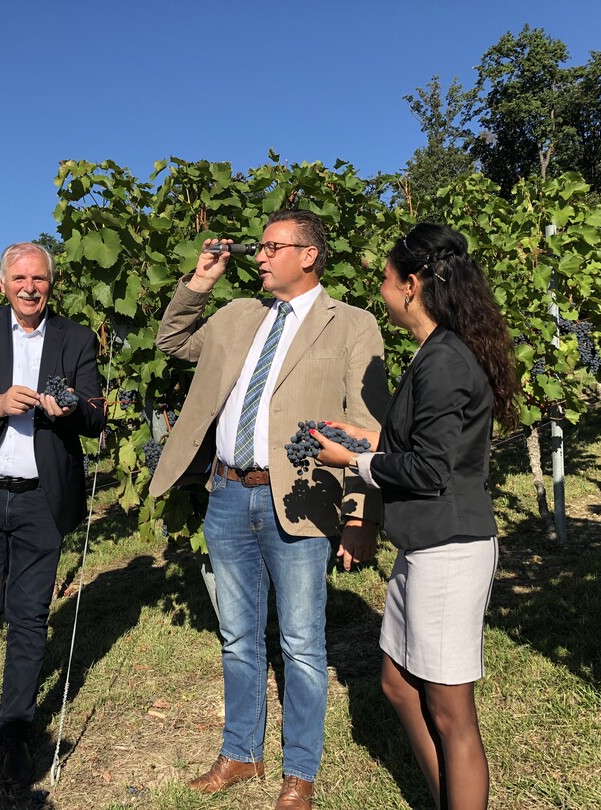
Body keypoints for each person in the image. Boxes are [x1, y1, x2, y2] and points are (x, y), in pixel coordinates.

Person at [149, 209, 391, 810]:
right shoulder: (237, 316)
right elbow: (173, 341)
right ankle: (241, 753)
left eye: (271, 247)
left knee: (303, 642)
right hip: (228, 493)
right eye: (259, 247)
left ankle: (299, 773)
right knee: (237, 636)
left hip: (303, 500)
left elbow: (365, 427)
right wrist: (199, 281)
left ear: (309, 254)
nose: (258, 256)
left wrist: (359, 515)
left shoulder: (352, 326)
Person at [311, 223, 520, 810]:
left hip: (448, 549)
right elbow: (426, 445)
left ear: (413, 285)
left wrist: (356, 461)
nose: (380, 288)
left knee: (452, 714)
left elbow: (432, 470)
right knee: (398, 685)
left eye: (385, 278)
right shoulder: (438, 353)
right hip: (424, 543)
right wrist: (369, 438)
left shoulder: (445, 361)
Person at [0, 242, 105, 789]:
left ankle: (14, 730)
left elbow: (96, 413)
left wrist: (72, 408)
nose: (31, 288)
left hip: (40, 497)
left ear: (51, 285)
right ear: (4, 283)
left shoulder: (75, 338)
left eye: (41, 279)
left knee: (30, 619)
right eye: (21, 278)